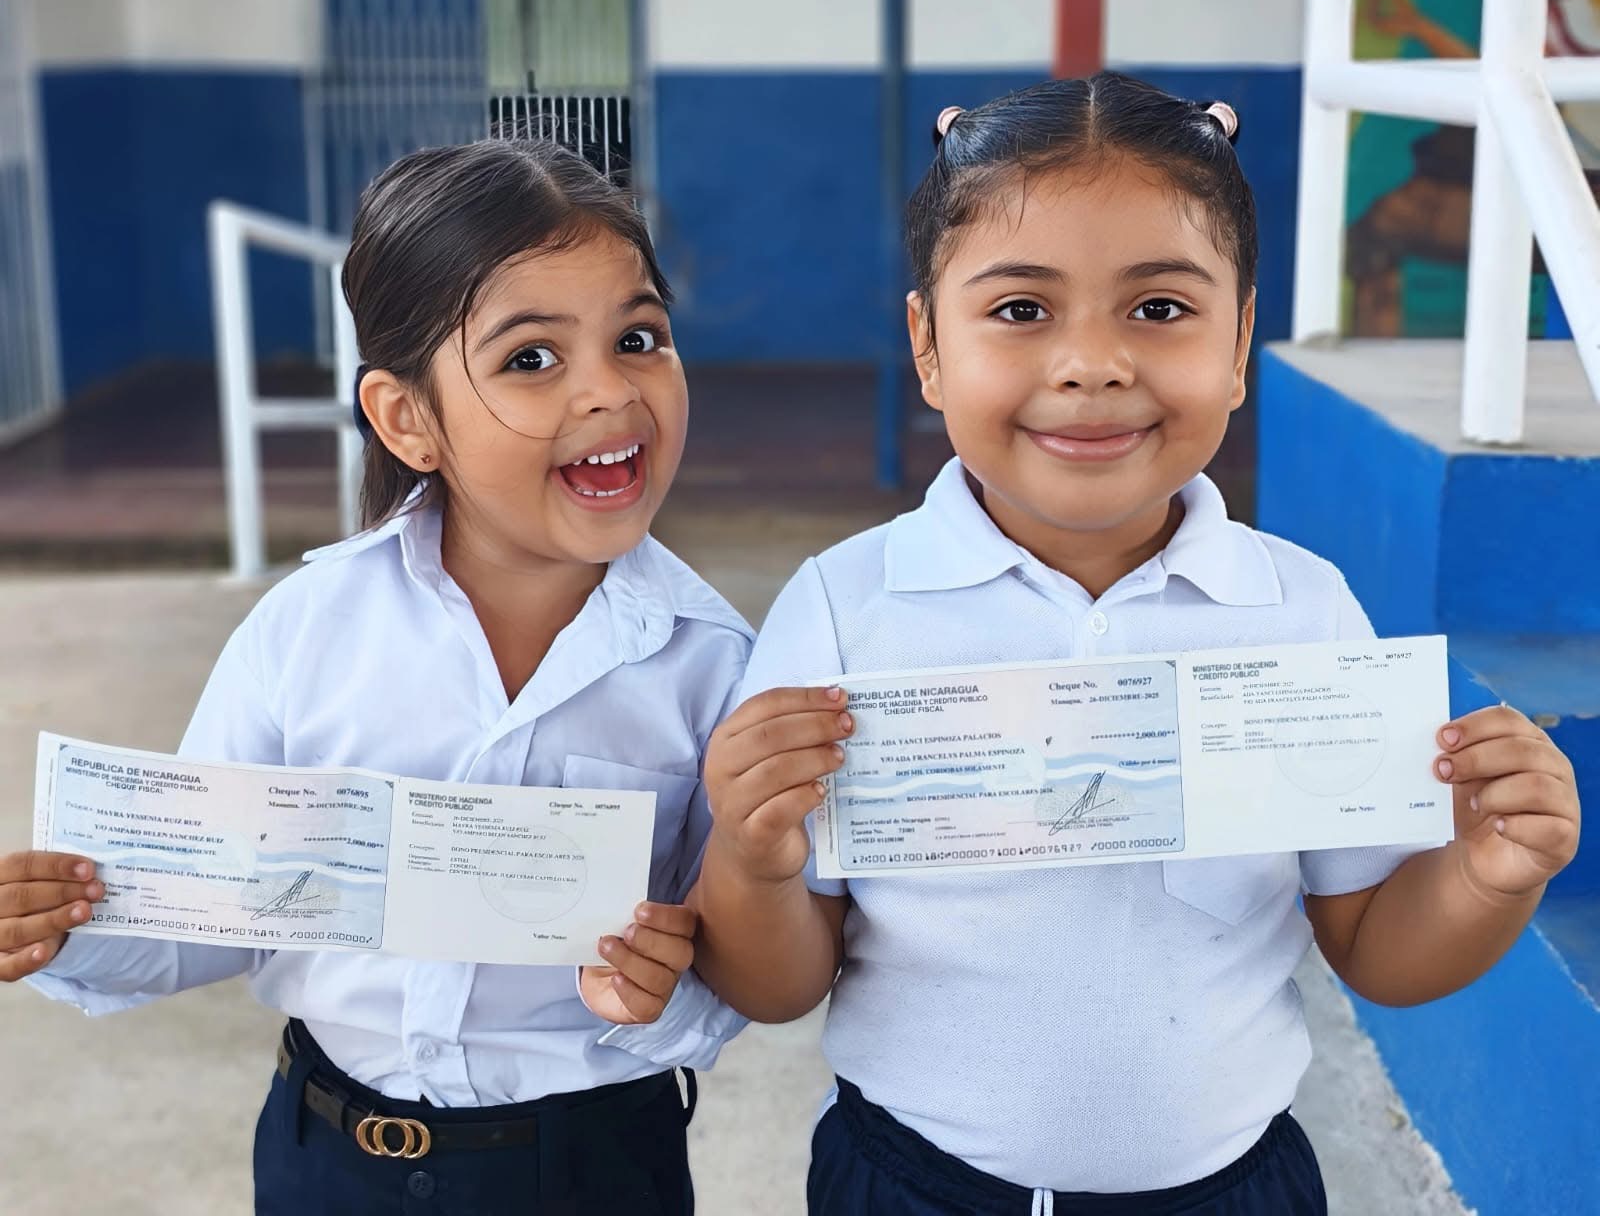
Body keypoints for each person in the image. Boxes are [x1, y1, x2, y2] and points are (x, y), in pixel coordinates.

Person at [691, 74, 1582, 1216]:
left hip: (1229, 1189)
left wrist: (1489, 874)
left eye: (1158, 309)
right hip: (912, 1182)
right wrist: (752, 857)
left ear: (1240, 338)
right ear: (928, 344)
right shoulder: (846, 609)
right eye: (1021, 310)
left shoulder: (1301, 612)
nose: (1092, 364)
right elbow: (778, 982)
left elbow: (1375, 946)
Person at [2, 137, 751, 1215]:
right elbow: (219, 909)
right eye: (531, 358)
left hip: (589, 1164)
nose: (609, 391)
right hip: (325, 1155)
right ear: (407, 419)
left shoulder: (714, 662)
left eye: (638, 338)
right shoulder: (306, 629)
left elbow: (740, 964)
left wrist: (668, 990)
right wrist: (68, 923)